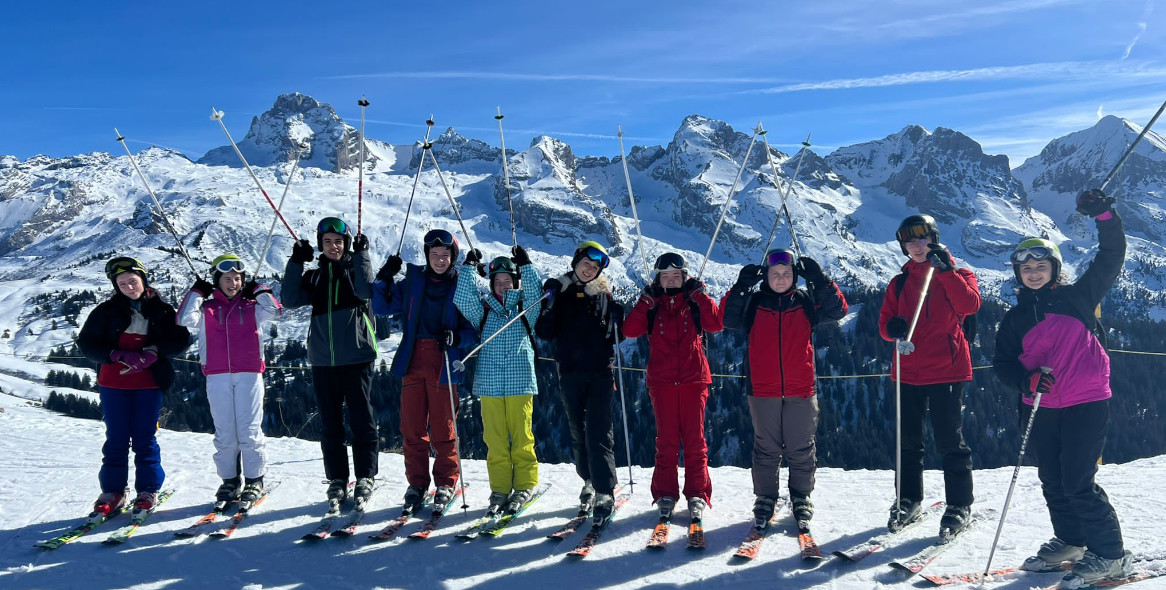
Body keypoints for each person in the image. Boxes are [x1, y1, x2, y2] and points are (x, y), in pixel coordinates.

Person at [993, 189, 1131, 585]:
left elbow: (1110, 258)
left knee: (1078, 481)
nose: (1034, 270)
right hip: (1040, 405)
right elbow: (1002, 366)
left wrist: (1105, 215)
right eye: (1026, 266)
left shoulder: (1078, 298)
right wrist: (1026, 380)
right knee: (1052, 480)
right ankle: (1072, 541)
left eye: (1042, 263)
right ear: (1018, 273)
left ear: (1055, 268)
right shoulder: (1014, 319)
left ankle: (1111, 554)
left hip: (1086, 401)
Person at [721, 249, 848, 528]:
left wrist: (820, 279)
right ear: (766, 275)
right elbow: (727, 318)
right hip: (763, 388)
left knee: (801, 446)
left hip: (801, 386)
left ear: (795, 277)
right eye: (775, 273)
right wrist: (741, 287)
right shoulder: (754, 303)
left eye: (787, 274)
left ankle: (801, 496)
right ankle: (765, 497)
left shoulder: (805, 301)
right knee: (766, 448)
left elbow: (838, 310)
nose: (781, 278)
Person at [878, 214, 980, 535]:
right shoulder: (900, 282)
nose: (917, 246)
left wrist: (946, 270)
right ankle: (908, 499)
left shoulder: (959, 273)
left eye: (922, 239)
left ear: (934, 239)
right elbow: (885, 324)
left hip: (947, 370)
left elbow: (970, 304)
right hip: (908, 370)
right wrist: (893, 330)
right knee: (907, 440)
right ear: (903, 246)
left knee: (950, 439)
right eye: (910, 241)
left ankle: (959, 504)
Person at [372, 229, 476, 512]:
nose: (440, 260)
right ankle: (417, 483)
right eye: (434, 255)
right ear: (427, 256)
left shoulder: (461, 284)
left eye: (445, 255)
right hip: (413, 358)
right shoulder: (413, 282)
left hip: (444, 360)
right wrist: (384, 278)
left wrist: (456, 338)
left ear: (453, 258)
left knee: (444, 427)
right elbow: (381, 308)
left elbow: (473, 328)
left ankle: (445, 481)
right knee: (412, 427)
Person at [77, 256, 191, 513]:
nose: (129, 287)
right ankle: (113, 491)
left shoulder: (162, 310)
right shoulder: (105, 312)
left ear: (143, 279)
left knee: (144, 438)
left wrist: (155, 350)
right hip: (114, 384)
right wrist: (115, 354)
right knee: (116, 438)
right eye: (122, 284)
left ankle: (147, 490)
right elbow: (86, 344)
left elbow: (182, 339)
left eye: (132, 281)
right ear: (116, 287)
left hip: (149, 384)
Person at [282, 217, 379, 506]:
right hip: (324, 360)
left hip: (358, 356)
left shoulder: (353, 272)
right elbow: (288, 299)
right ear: (320, 245)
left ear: (346, 243)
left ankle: (365, 476)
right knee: (331, 424)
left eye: (338, 242)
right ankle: (338, 479)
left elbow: (366, 292)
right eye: (327, 242)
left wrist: (362, 255)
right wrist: (296, 262)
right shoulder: (315, 277)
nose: (333, 246)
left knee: (363, 420)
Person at [622, 252, 723, 521]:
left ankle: (697, 494)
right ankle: (665, 494)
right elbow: (629, 330)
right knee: (665, 442)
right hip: (663, 382)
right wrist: (645, 302)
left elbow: (715, 324)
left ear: (684, 277)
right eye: (665, 276)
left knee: (695, 441)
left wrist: (700, 295)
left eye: (676, 275)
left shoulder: (692, 303)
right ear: (658, 278)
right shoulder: (653, 306)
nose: (670, 280)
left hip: (693, 380)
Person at [177, 254, 282, 506]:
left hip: (249, 374)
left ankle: (254, 480)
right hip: (217, 375)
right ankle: (229, 481)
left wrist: (258, 289)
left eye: (237, 279)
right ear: (217, 280)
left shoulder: (253, 307)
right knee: (225, 432)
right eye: (227, 278)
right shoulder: (207, 309)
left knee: (249, 430)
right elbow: (183, 319)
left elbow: (275, 310)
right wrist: (197, 292)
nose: (233, 283)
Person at [534, 241, 622, 523]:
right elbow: (544, 332)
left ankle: (605, 490)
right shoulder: (561, 291)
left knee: (599, 431)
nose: (590, 269)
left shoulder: (604, 295)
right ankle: (588, 481)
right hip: (570, 372)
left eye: (595, 267)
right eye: (587, 263)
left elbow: (616, 336)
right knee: (577, 430)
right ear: (576, 262)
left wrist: (619, 319)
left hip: (599, 373)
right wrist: (549, 301)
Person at [453, 247, 544, 513]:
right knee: (495, 440)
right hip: (490, 385)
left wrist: (526, 265)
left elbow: (537, 294)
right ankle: (500, 489)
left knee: (522, 438)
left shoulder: (526, 310)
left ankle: (525, 485)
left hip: (520, 383)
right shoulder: (483, 312)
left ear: (515, 283)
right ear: (491, 285)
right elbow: (463, 298)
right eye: (498, 282)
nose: (503, 286)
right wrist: (469, 267)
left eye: (508, 281)